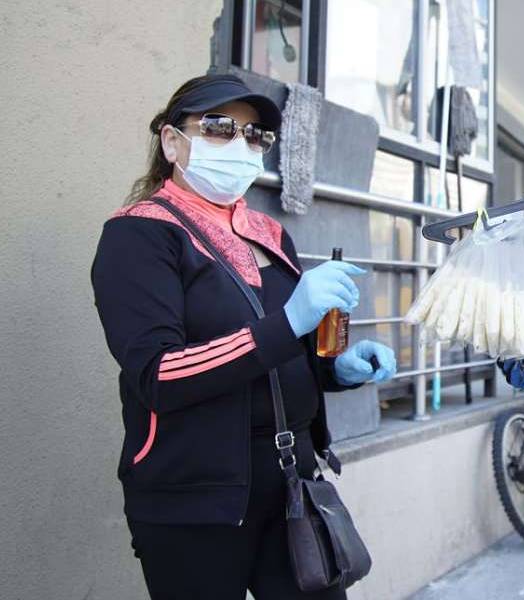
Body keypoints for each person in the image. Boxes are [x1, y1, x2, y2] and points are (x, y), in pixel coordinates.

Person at [91, 74, 396, 599]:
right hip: (195, 498)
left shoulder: (270, 233)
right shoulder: (138, 234)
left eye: (256, 135)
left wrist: (332, 368)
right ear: (171, 141)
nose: (241, 144)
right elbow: (158, 374)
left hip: (292, 481)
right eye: (218, 127)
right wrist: (288, 323)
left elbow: (283, 349)